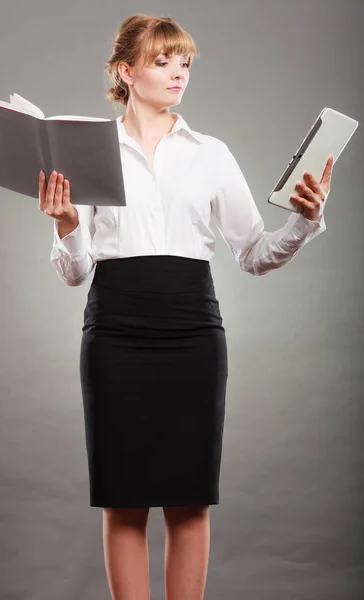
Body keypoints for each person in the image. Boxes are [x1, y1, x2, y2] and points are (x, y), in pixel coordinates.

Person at [39, 13, 334, 600]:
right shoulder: (86, 150)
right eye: (162, 61)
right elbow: (75, 274)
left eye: (185, 63)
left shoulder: (211, 153)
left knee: (189, 498)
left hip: (193, 334)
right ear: (127, 71)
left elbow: (253, 253)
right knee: (123, 499)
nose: (179, 73)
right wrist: (68, 225)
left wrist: (304, 220)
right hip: (114, 333)